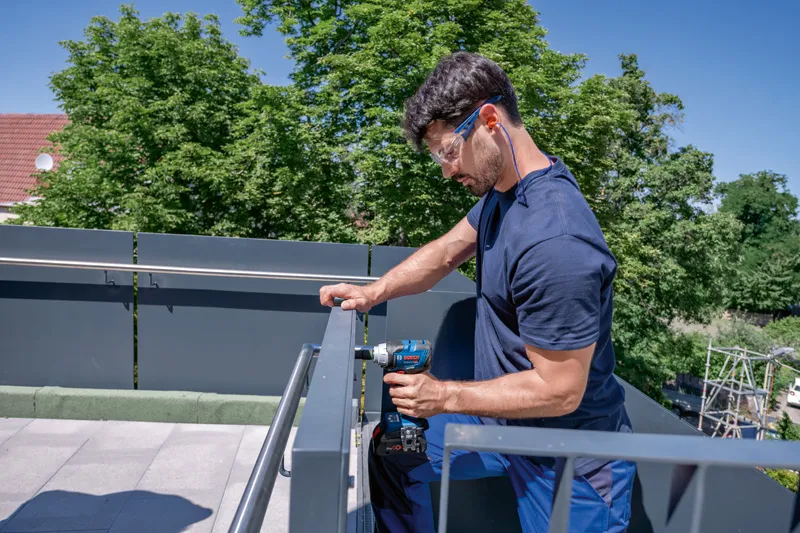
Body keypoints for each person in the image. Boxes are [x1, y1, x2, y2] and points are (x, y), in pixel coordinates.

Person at [319, 51, 635, 533]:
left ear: (489, 119)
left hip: (571, 459)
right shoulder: (504, 194)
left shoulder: (556, 241)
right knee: (393, 450)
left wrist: (442, 396)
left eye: (448, 152)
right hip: (498, 427)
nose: (446, 170)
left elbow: (560, 391)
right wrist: (373, 292)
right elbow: (447, 252)